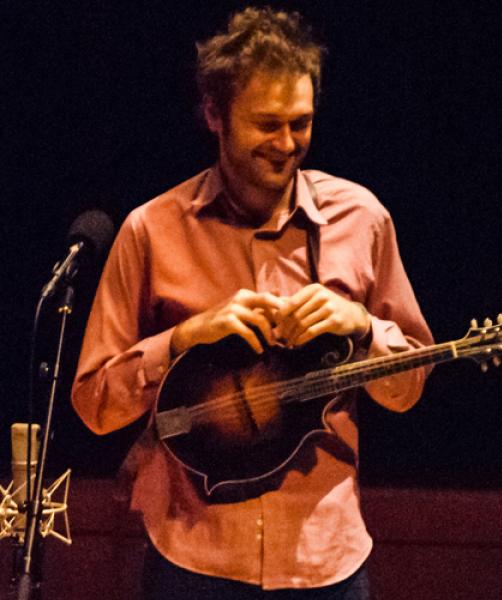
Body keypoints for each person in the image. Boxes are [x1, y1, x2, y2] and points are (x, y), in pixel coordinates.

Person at [71, 7, 433, 599]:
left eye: (302, 122)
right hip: (194, 563)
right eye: (267, 124)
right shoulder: (152, 231)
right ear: (214, 115)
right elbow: (94, 404)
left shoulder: (362, 219)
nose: (288, 144)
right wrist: (183, 339)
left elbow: (410, 384)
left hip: (326, 562)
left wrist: (365, 326)